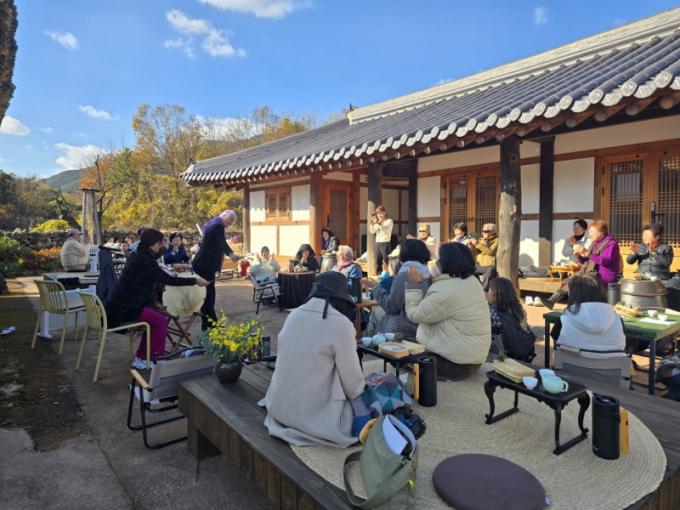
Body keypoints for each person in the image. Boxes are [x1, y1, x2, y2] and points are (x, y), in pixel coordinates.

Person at [264, 271, 365, 447]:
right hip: (313, 416)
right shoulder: (341, 324)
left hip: (278, 407)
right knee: (366, 402)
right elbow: (353, 385)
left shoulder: (293, 315)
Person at [105, 228, 208, 368]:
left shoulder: (136, 255)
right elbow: (168, 279)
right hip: (126, 308)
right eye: (160, 243)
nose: (161, 246)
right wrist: (195, 281)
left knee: (156, 319)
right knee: (160, 321)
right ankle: (154, 358)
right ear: (154, 244)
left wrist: (164, 247)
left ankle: (142, 357)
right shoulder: (145, 261)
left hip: (120, 305)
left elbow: (153, 258)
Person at [405, 242, 491, 380]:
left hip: (454, 364)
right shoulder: (472, 282)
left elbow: (414, 314)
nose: (436, 262)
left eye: (439, 259)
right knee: (406, 341)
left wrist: (413, 284)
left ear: (446, 263)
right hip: (472, 358)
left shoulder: (446, 291)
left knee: (398, 352)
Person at [542, 220, 621, 309]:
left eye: (592, 232)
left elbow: (604, 261)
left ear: (601, 232)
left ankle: (572, 306)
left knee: (578, 281)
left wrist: (587, 253)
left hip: (604, 276)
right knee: (572, 280)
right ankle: (553, 300)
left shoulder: (611, 244)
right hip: (593, 273)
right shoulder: (595, 243)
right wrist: (578, 255)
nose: (590, 234)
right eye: (589, 232)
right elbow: (585, 261)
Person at [362, 239, 432, 337]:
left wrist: (375, 287)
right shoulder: (428, 273)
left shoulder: (406, 273)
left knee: (376, 313)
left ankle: (369, 343)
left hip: (405, 326)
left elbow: (392, 306)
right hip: (423, 323)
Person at [550, 275, 625, 355]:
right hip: (611, 363)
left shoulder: (564, 320)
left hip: (571, 362)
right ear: (601, 293)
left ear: (574, 295)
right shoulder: (617, 320)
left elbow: (555, 335)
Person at [192, 210, 241, 330]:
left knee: (207, 296)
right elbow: (221, 243)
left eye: (232, 222)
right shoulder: (218, 226)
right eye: (230, 220)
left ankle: (208, 325)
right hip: (205, 265)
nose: (230, 224)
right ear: (223, 215)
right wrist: (231, 254)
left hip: (203, 263)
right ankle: (212, 326)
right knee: (208, 297)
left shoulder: (212, 223)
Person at [487, 277, 536, 361]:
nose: (488, 293)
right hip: (526, 353)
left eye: (489, 290)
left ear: (495, 294)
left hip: (505, 355)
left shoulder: (492, 314)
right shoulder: (519, 310)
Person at [469, 223, 498, 291]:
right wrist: (472, 246)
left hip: (489, 265)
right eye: (482, 231)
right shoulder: (481, 240)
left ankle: (484, 290)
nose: (483, 233)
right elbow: (475, 252)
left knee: (490, 271)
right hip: (478, 264)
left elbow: (490, 252)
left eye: (485, 231)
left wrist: (477, 244)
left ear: (493, 232)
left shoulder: (497, 240)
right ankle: (476, 288)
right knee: (467, 269)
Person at [369, 205, 394, 274]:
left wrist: (379, 223)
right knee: (378, 260)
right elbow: (372, 231)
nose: (379, 215)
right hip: (377, 242)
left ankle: (388, 274)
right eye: (378, 213)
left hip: (385, 242)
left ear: (384, 212)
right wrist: (372, 224)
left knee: (386, 259)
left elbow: (385, 230)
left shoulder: (389, 221)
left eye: (381, 213)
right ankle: (379, 274)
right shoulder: (378, 222)